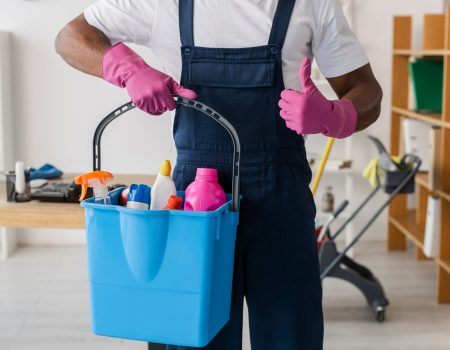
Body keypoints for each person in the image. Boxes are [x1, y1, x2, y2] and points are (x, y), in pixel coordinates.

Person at [55, 0, 382, 349]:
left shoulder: (311, 4)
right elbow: (71, 37)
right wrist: (129, 69)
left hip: (281, 202)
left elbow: (367, 91)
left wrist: (337, 115)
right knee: (190, 336)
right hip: (192, 209)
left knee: (290, 337)